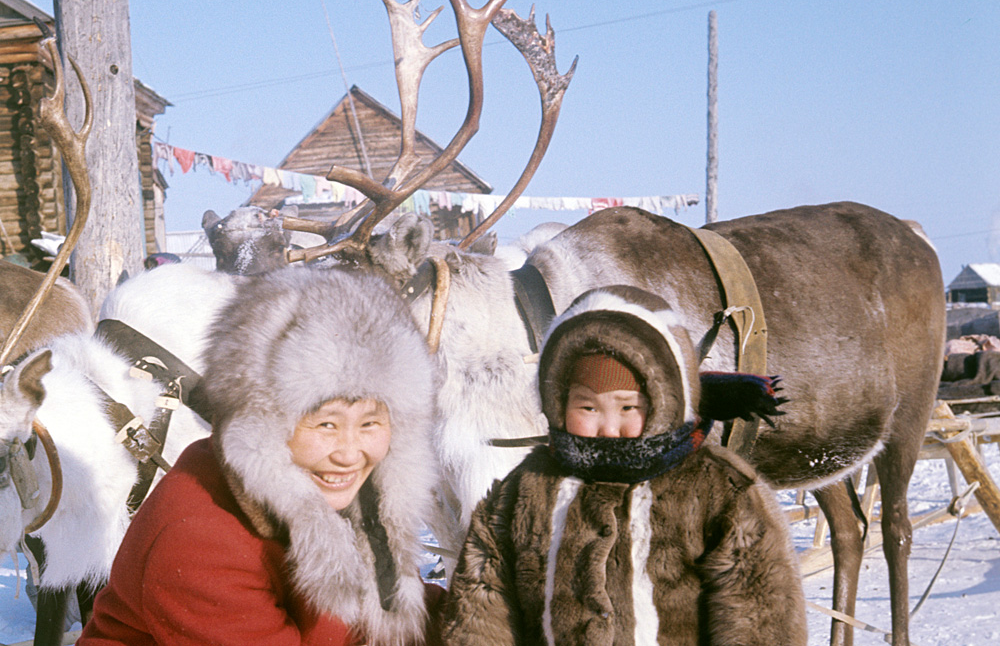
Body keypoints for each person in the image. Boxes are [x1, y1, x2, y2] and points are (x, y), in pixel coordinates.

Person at [78, 268, 446, 646]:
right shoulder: (201, 540)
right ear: (265, 426)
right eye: (325, 426)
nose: (351, 454)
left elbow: (403, 620)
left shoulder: (352, 500)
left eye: (370, 423)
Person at [442, 285, 807, 646]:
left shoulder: (718, 489)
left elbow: (761, 615)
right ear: (557, 403)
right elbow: (482, 604)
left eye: (628, 407)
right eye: (588, 408)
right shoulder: (525, 489)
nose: (609, 428)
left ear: (662, 403)